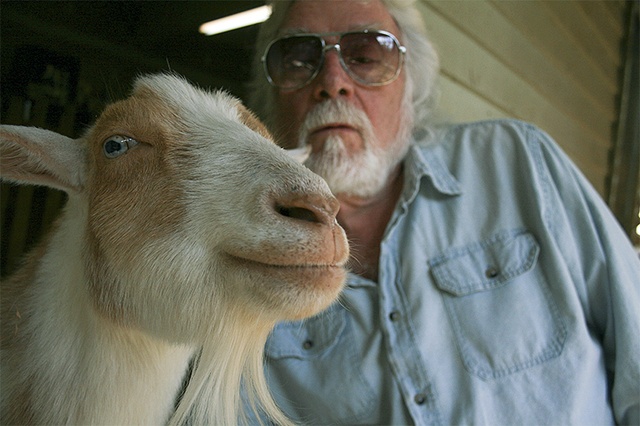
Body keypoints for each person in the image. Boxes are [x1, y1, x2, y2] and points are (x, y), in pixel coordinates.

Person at [247, 0, 640, 424]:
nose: (332, 81)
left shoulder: (519, 163)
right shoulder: (243, 257)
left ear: (411, 82)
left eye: (366, 54)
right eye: (298, 59)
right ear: (271, 94)